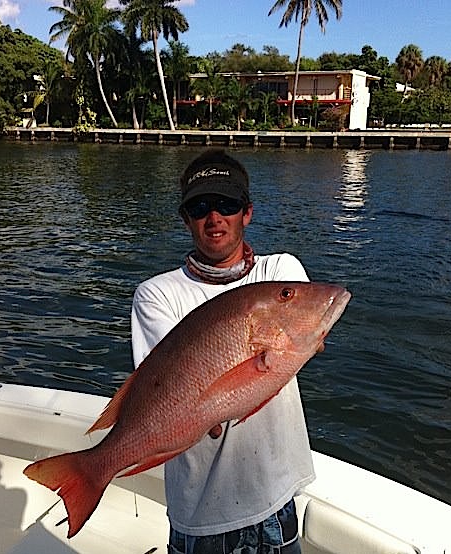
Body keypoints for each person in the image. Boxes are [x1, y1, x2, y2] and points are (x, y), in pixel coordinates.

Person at [131, 149, 315, 554]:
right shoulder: (157, 295)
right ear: (186, 219)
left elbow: (297, 347)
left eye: (227, 205)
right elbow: (171, 398)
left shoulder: (280, 275)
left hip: (276, 500)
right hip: (201, 516)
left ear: (247, 212)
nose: (214, 218)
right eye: (200, 207)